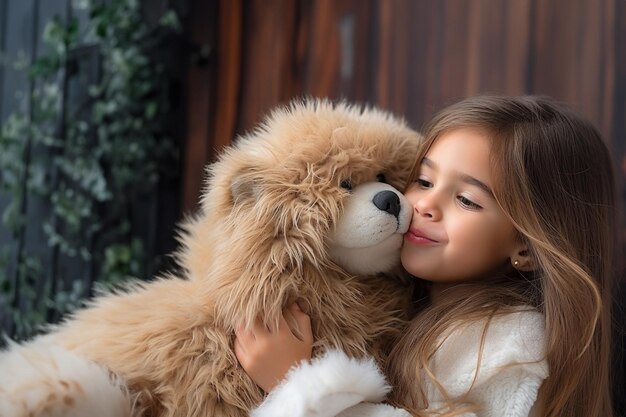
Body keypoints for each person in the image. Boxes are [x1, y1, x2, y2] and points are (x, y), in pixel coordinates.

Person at [234, 95, 616, 417]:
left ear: (527, 247)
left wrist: (297, 382)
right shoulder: (401, 301)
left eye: (466, 200)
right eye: (424, 180)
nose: (425, 205)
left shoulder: (512, 345)